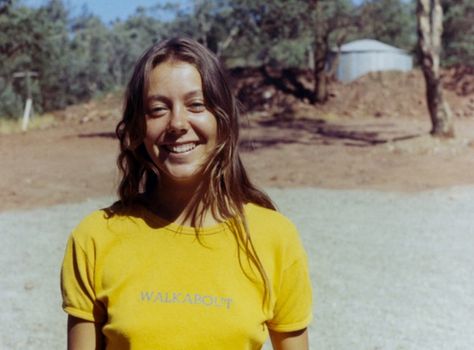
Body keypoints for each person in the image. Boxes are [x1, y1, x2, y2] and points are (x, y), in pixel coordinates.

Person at [61, 37, 312, 350]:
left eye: (196, 105)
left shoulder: (275, 238)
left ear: (224, 120)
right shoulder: (95, 237)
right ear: (138, 128)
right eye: (157, 109)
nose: (177, 123)